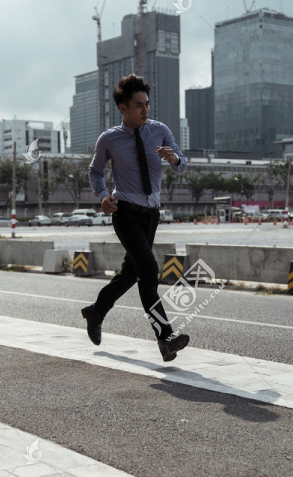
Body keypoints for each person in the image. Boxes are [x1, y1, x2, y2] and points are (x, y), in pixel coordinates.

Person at [81, 74, 190, 362]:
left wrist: (174, 158)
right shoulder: (109, 139)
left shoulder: (160, 130)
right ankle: (165, 336)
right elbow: (94, 171)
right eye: (138, 105)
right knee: (149, 271)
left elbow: (181, 163)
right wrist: (102, 195)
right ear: (123, 108)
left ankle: (96, 311)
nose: (145, 110)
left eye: (147, 104)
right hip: (125, 212)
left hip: (151, 215)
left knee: (131, 273)